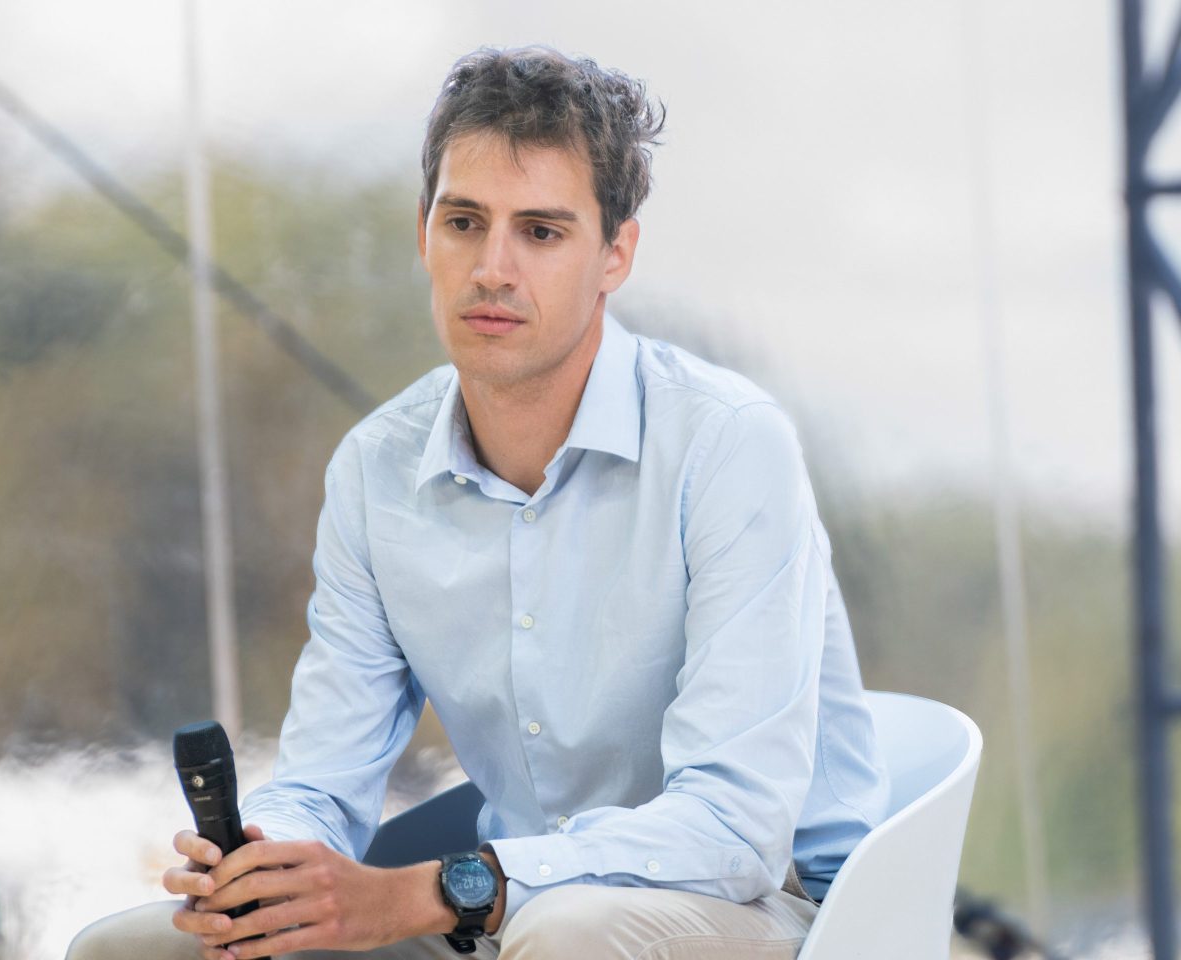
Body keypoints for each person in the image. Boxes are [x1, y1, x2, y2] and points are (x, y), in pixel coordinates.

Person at [68, 45, 888, 960]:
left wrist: (439, 891)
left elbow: (732, 833)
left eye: (541, 232)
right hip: (504, 912)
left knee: (569, 932)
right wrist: (267, 860)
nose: (493, 267)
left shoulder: (728, 445)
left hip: (772, 911)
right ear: (424, 234)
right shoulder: (375, 472)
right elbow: (323, 779)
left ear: (615, 254)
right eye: (464, 222)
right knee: (133, 951)